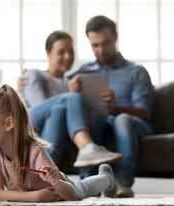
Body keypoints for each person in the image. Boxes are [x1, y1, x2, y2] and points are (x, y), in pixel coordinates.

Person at [0, 84, 117, 202]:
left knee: (82, 190)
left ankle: (106, 178)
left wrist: (57, 183)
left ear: (9, 123)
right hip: (36, 193)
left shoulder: (35, 152)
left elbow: (70, 193)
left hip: (61, 187)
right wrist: (34, 197)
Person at [65, 15, 155, 197]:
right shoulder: (81, 73)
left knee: (122, 119)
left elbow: (143, 113)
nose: (101, 50)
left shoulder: (136, 72)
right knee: (94, 119)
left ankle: (122, 182)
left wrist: (116, 108)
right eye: (95, 45)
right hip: (99, 124)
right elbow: (54, 88)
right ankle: (88, 183)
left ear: (116, 37)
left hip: (132, 124)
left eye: (105, 43)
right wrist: (69, 90)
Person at [18, 30, 122, 169]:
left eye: (71, 52)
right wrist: (70, 94)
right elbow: (41, 107)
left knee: (60, 111)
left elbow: (62, 115)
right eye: (61, 52)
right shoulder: (34, 74)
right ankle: (87, 147)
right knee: (68, 100)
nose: (67, 57)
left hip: (52, 127)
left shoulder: (71, 80)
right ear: (48, 54)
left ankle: (44, 171)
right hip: (29, 122)